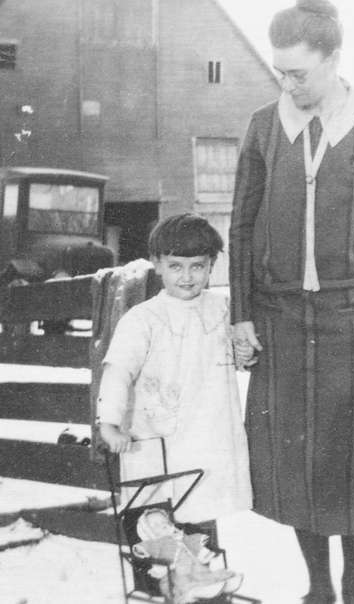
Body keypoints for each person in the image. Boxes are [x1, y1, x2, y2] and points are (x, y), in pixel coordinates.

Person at [230, 0, 354, 604]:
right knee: (298, 458)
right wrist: (242, 314)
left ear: (334, 59)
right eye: (280, 70)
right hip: (282, 316)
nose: (287, 82)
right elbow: (241, 223)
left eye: (299, 72)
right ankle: (317, 587)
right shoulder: (264, 126)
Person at [97, 213, 252, 527]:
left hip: (207, 434)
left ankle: (194, 565)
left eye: (198, 266)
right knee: (157, 513)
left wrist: (244, 353)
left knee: (200, 501)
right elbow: (118, 371)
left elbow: (234, 358)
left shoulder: (222, 309)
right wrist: (109, 423)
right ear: (157, 264)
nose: (187, 277)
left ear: (211, 266)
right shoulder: (144, 319)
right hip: (158, 434)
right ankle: (167, 569)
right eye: (176, 266)